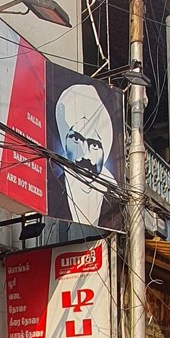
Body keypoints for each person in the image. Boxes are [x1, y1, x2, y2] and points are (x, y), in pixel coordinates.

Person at [49, 83, 121, 231]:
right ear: (65, 142)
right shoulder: (52, 192)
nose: (84, 155)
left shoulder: (117, 200)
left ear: (105, 148)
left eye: (94, 144)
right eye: (76, 139)